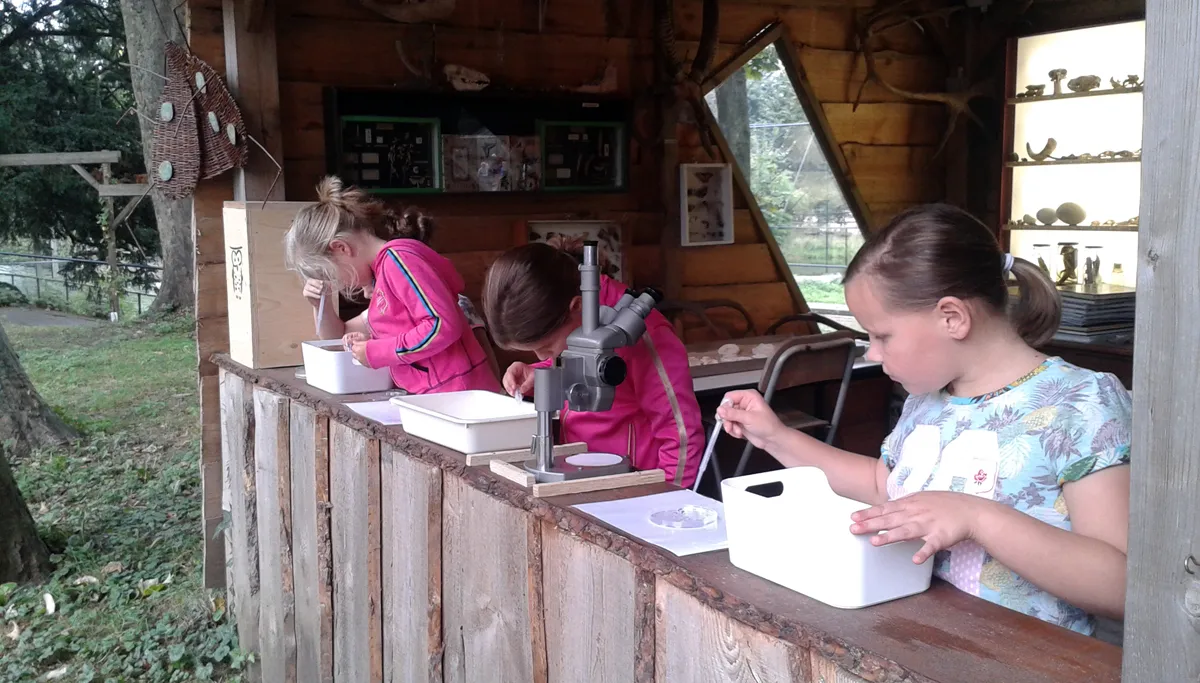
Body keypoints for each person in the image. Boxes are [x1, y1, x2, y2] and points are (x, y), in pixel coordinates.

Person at [718, 203, 1131, 636]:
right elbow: (884, 487)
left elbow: (1121, 585)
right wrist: (775, 437)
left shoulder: (1082, 403)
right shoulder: (928, 400)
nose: (873, 354)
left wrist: (978, 518)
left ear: (952, 317)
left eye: (882, 336)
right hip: (920, 645)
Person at [482, 241, 704, 487]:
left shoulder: (644, 334)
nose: (539, 356)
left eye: (545, 347)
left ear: (576, 306)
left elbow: (681, 435)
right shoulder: (570, 320)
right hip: (581, 473)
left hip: (633, 487)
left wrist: (668, 500)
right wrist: (541, 373)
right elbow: (578, 366)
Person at [285, 176, 501, 395]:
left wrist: (378, 351)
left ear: (341, 248)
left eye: (330, 274)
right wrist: (322, 307)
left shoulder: (398, 262)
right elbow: (338, 335)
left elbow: (440, 325)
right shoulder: (385, 272)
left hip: (456, 393)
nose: (339, 283)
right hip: (442, 393)